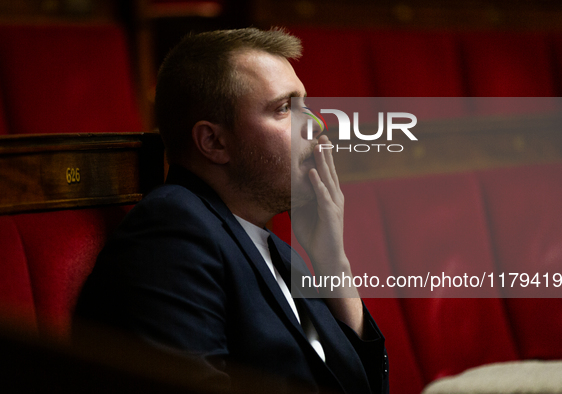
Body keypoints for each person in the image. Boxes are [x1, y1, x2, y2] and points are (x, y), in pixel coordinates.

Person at [75, 27, 388, 394]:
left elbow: (365, 386)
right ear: (213, 141)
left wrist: (332, 261)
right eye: (285, 108)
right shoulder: (172, 230)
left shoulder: (277, 249)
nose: (316, 127)